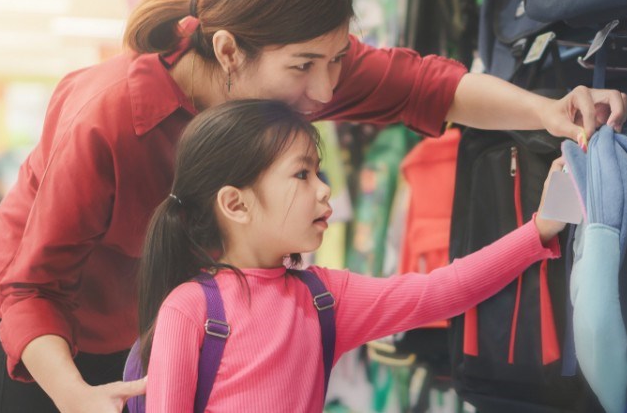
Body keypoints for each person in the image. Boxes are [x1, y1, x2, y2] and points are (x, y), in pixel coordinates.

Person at [0, 0, 627, 413]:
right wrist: (75, 395)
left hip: (139, 327)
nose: (324, 91)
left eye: (336, 59)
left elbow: (429, 87)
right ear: (228, 50)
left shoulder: (292, 74)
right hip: (30, 339)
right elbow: (30, 289)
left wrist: (550, 111)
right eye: (307, 66)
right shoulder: (110, 114)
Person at [139, 99, 568, 412]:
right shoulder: (190, 310)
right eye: (302, 174)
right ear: (236, 204)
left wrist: (539, 230)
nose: (325, 189)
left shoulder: (324, 298)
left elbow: (442, 290)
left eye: (319, 172)